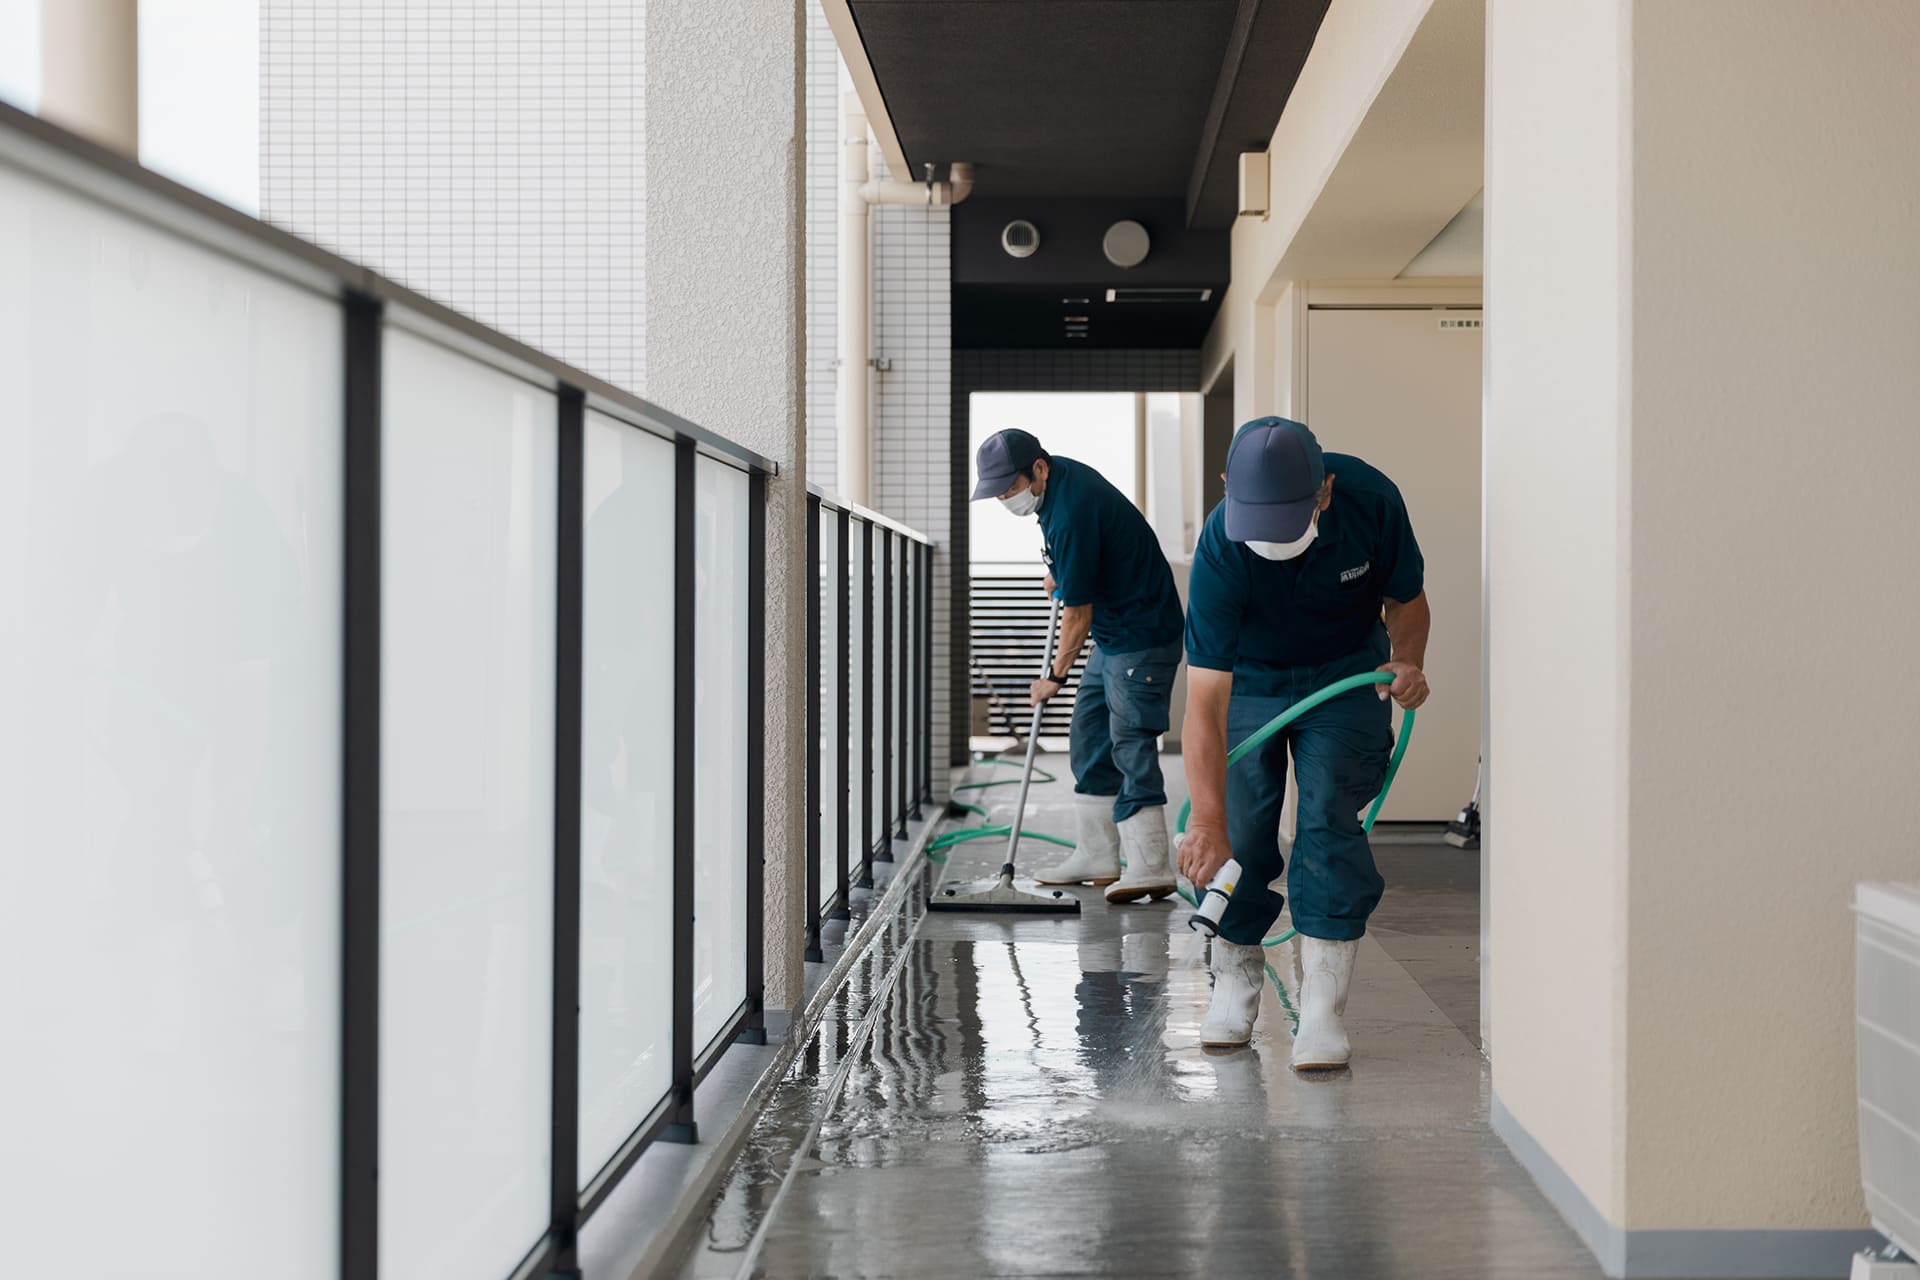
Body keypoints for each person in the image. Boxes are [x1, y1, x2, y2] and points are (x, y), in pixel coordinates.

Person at [1177, 417, 1431, 1069]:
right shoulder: (1218, 547)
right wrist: (1207, 821)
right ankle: (1235, 981)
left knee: (1325, 816)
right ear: (1229, 486)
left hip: (1345, 673)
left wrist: (1406, 659)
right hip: (1250, 680)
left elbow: (1407, 599)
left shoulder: (1372, 503)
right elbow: (1204, 702)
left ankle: (1321, 1009)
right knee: (1243, 827)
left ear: (1324, 492)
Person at [970, 427, 1185, 903]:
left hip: (1141, 636)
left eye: (1010, 487)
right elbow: (1090, 555)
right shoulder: (1059, 486)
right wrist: (1061, 571)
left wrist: (1053, 676)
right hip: (1114, 635)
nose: (1006, 498)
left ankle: (1151, 863)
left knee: (1130, 742)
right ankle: (1098, 854)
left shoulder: (1069, 509)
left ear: (1039, 469)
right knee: (1089, 734)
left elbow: (1078, 613)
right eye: (999, 491)